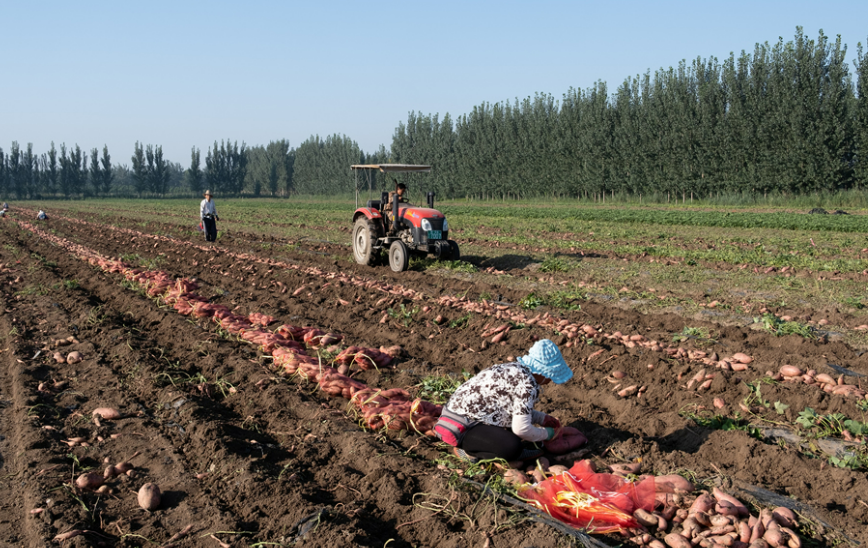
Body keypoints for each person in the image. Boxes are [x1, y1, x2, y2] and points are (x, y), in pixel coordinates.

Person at [434, 339, 573, 465]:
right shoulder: (527, 385)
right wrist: (547, 434)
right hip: (461, 428)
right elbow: (521, 429)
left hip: (452, 415)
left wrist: (541, 418)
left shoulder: (512, 369)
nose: (550, 381)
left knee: (513, 431)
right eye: (550, 377)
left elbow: (512, 407)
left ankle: (482, 443)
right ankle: (467, 451)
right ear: (543, 373)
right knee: (511, 447)